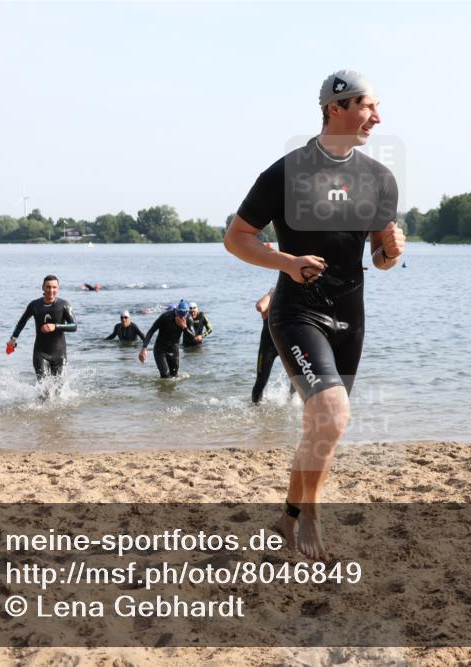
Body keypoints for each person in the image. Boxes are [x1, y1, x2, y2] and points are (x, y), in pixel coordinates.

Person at [224, 70, 404, 560]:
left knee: (319, 426)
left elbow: (380, 260)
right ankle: (311, 517)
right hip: (297, 310)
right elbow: (236, 238)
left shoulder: (379, 179)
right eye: (369, 106)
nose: (378, 117)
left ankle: (286, 515)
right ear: (336, 107)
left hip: (351, 314)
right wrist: (286, 262)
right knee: (333, 414)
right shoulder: (286, 172)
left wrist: (390, 250)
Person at [8, 275, 77, 382]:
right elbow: (22, 322)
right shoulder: (35, 305)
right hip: (41, 353)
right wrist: (13, 339)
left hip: (60, 355)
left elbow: (74, 326)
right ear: (43, 288)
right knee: (43, 389)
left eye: (54, 287)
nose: (51, 290)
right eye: (48, 287)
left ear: (58, 289)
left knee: (58, 390)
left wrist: (55, 326)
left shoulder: (64, 305)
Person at [251, 287, 294, 404]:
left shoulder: (294, 299)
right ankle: (255, 408)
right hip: (268, 346)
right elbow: (260, 307)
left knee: (296, 380)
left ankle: (290, 403)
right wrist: (271, 293)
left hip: (288, 345)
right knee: (261, 381)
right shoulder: (271, 299)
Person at [142, 299, 195, 378]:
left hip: (174, 350)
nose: (181, 318)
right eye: (179, 315)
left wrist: (184, 327)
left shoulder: (188, 319)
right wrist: (144, 348)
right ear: (176, 311)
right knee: (165, 375)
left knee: (174, 377)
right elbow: (151, 331)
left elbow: (192, 338)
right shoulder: (166, 316)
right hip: (160, 349)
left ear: (186, 314)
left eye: (183, 316)